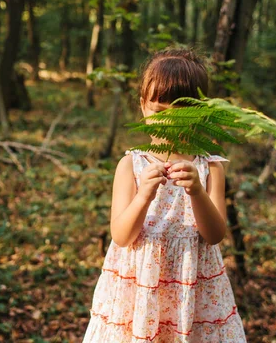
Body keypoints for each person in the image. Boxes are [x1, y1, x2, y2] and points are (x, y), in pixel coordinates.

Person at [83, 48, 247, 342]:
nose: (168, 123)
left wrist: (197, 191)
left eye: (180, 115)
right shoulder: (130, 166)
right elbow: (121, 236)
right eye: (158, 112)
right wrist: (143, 195)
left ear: (199, 114)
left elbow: (215, 235)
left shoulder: (209, 168)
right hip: (139, 288)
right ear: (143, 107)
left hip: (191, 288)